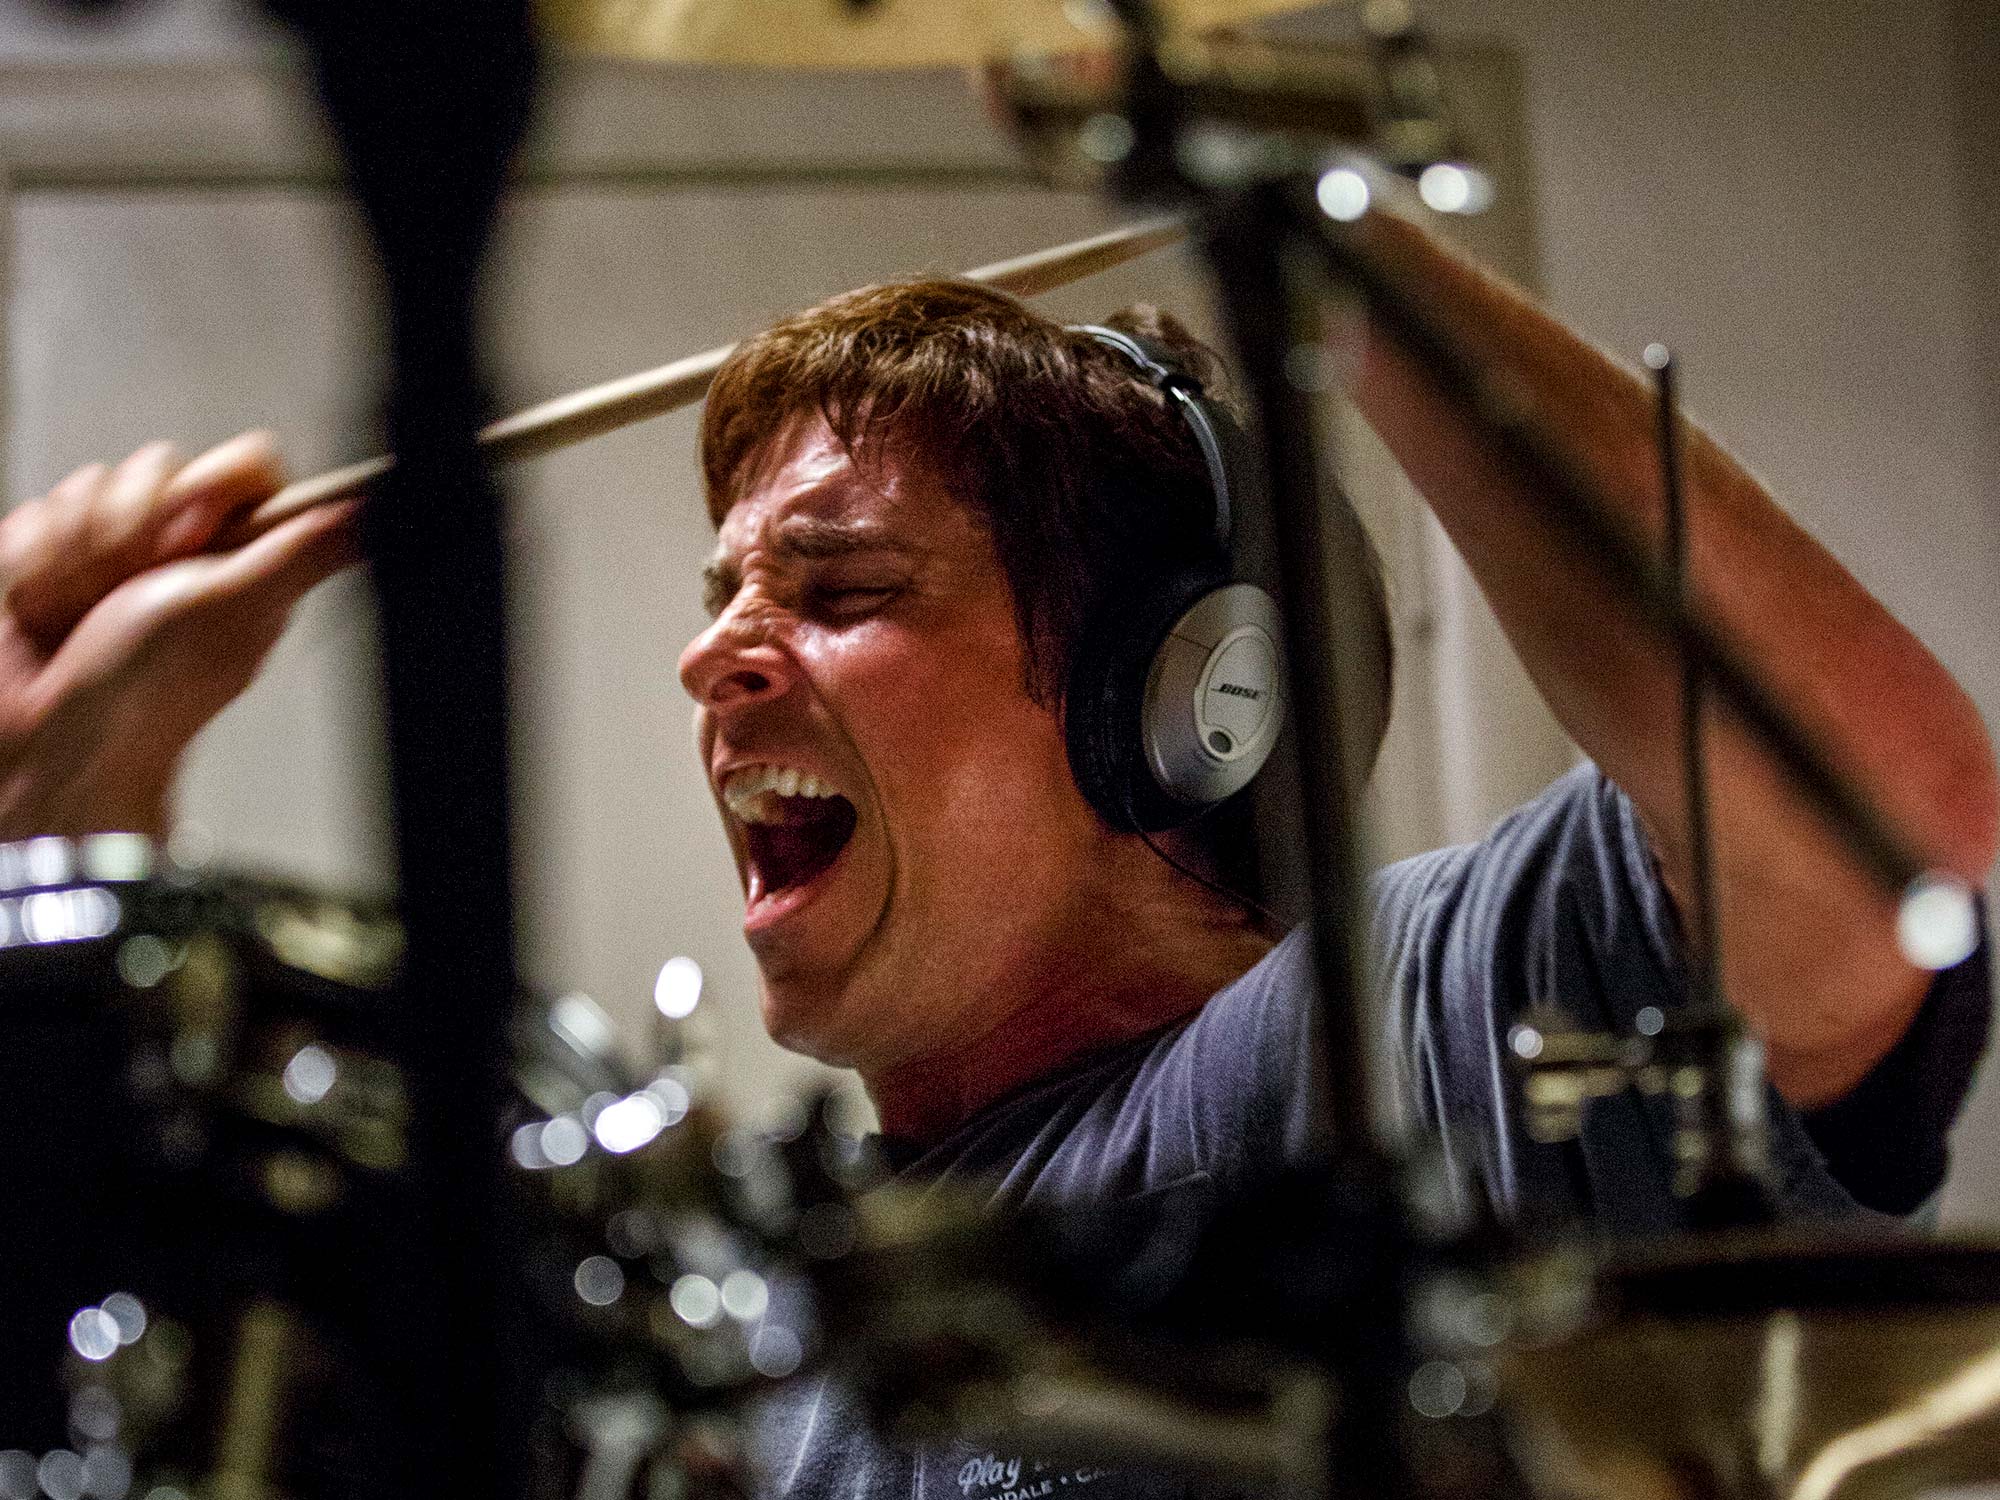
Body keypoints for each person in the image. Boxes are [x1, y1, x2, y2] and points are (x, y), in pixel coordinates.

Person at [0, 209, 1990, 1499]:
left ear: (1178, 704)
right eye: (720, 592)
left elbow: (1882, 823)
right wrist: (57, 834)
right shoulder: (736, 1298)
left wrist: (1319, 233)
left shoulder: (1379, 1047)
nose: (713, 654)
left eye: (840, 586)